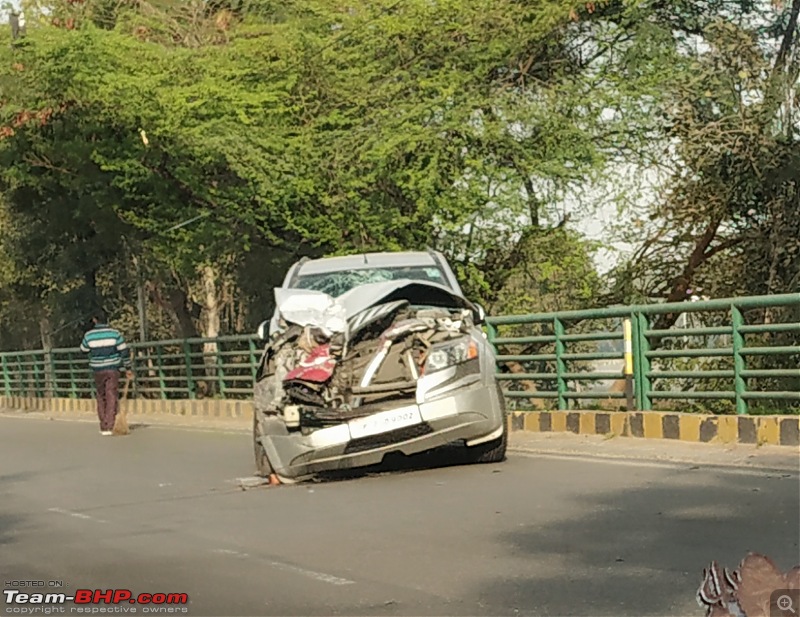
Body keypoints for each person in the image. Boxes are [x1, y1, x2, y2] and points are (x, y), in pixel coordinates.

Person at [80, 311, 133, 435]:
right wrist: (128, 368)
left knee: (101, 395)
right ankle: (110, 424)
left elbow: (83, 349)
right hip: (113, 368)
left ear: (95, 320)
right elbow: (124, 351)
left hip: (97, 369)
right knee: (111, 395)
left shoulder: (89, 335)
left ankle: (103, 425)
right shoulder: (115, 334)